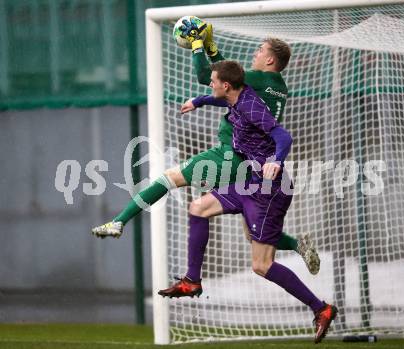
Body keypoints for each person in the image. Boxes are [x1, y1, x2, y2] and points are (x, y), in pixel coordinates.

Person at [91, 22, 320, 273]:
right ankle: (299, 245)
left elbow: (209, 78)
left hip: (231, 156)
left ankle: (118, 222)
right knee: (253, 235)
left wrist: (197, 44)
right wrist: (211, 53)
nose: (255, 53)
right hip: (252, 165)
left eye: (260, 50)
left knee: (168, 178)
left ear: (269, 60)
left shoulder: (256, 78)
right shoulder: (276, 85)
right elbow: (227, 84)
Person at [159, 60, 337, 344]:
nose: (210, 84)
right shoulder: (234, 99)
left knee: (262, 265)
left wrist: (276, 161)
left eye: (213, 81)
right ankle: (192, 281)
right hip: (247, 181)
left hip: (270, 189)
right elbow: (221, 101)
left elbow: (283, 135)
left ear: (226, 85)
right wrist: (199, 100)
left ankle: (321, 308)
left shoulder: (251, 106)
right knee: (198, 208)